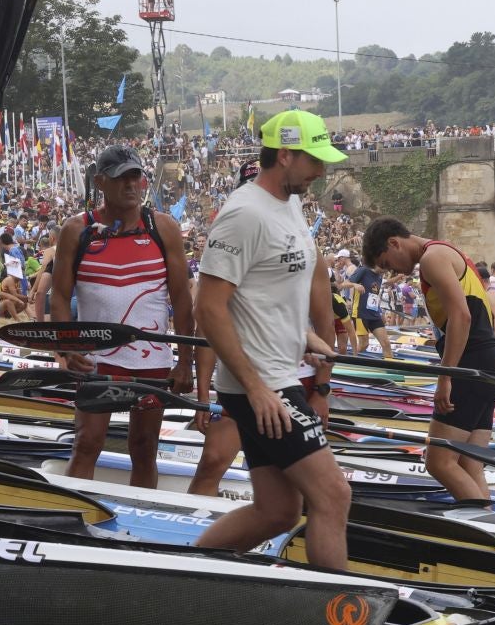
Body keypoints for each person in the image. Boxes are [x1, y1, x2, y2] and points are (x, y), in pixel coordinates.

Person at [192, 108, 349, 563]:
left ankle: (190, 570)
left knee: (278, 512)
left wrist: (300, 334)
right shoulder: (243, 214)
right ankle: (333, 615)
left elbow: (265, 292)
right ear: (284, 155)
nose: (321, 170)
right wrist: (257, 388)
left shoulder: (292, 203)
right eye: (313, 160)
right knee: (333, 496)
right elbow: (209, 307)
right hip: (260, 383)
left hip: (277, 373)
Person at [51, 144, 194, 489]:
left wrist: (184, 361)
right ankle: (73, 513)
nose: (131, 185)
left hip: (152, 362)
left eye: (136, 177)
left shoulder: (164, 228)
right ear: (100, 182)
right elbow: (58, 295)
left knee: (144, 449)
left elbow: (182, 298)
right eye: (121, 179)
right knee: (87, 443)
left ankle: (140, 511)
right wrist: (67, 349)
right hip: (96, 360)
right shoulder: (76, 230)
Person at [364, 214, 495, 501]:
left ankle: (480, 531)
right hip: (491, 361)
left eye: (388, 262)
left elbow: (461, 316)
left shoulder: (432, 258)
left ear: (394, 243)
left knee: (438, 462)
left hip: (472, 364)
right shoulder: (446, 251)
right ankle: (489, 526)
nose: (393, 270)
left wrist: (445, 377)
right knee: (469, 463)